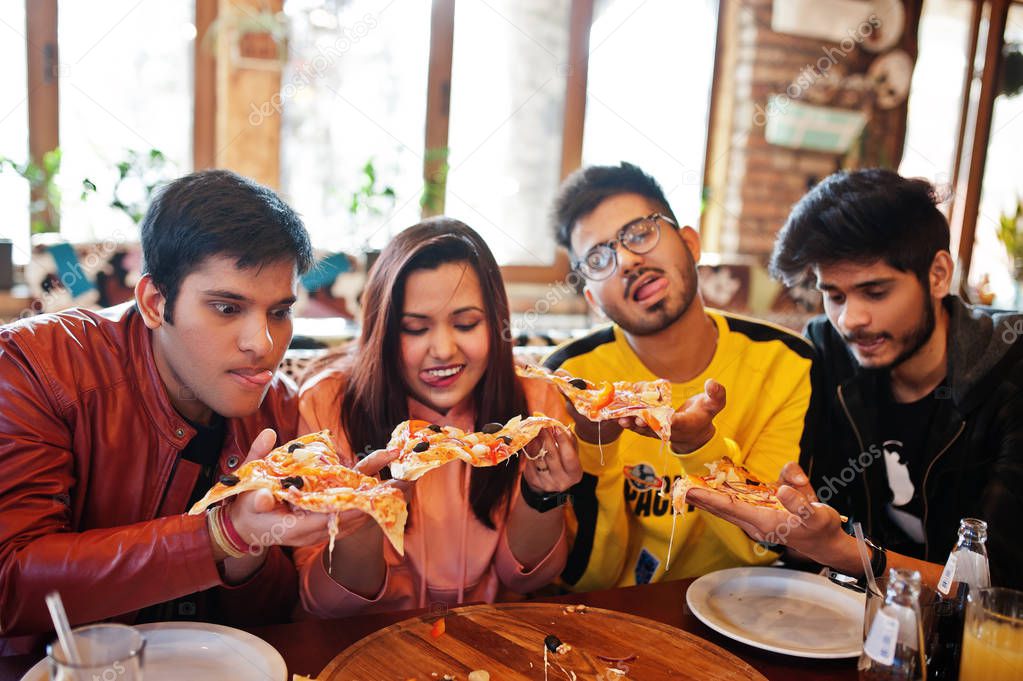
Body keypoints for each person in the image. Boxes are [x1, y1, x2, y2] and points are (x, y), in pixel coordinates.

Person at [0, 170, 331, 655]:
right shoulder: (40, 365)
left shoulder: (275, 402)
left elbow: (273, 620)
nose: (262, 344)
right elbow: (11, 582)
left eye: (279, 312)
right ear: (156, 302)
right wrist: (221, 533)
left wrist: (249, 549)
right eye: (226, 308)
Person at [687, 169, 1023, 589]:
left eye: (876, 292)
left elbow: (1000, 594)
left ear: (938, 275)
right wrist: (792, 526)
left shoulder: (1011, 371)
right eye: (835, 295)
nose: (851, 320)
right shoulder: (825, 351)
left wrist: (850, 554)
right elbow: (807, 525)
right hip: (842, 620)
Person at [546, 162, 814, 591]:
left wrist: (699, 448)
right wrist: (599, 445)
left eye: (639, 233)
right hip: (616, 619)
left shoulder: (786, 363)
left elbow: (767, 544)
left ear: (690, 243)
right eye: (599, 258)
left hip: (747, 613)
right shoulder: (572, 379)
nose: (629, 260)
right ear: (594, 299)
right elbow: (586, 577)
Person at [296, 218, 581, 616]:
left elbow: (525, 579)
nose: (444, 349)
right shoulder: (328, 404)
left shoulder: (534, 401)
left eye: (466, 324)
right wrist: (362, 522)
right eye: (415, 328)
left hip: (490, 638)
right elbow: (327, 605)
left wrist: (542, 496)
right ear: (381, 330)